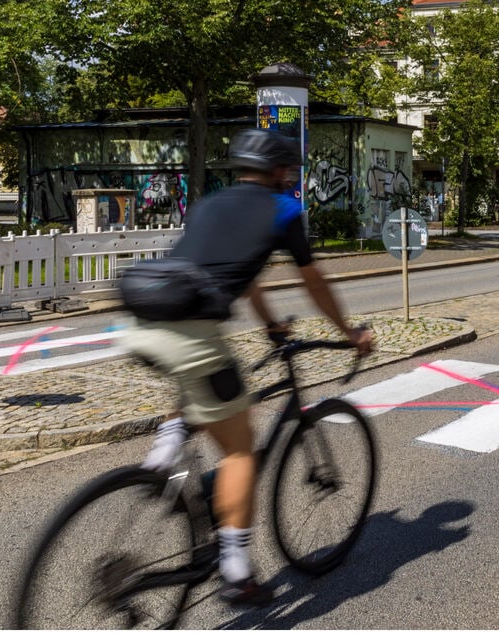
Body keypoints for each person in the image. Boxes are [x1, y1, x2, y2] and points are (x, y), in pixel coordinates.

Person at [122, 128, 373, 607]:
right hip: (192, 332)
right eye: (290, 171)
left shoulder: (210, 205)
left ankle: (167, 449)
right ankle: (235, 569)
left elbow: (244, 276)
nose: (291, 178)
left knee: (201, 382)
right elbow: (314, 281)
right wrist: (349, 333)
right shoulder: (282, 210)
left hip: (143, 319)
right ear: (279, 172)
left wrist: (272, 325)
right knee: (239, 448)